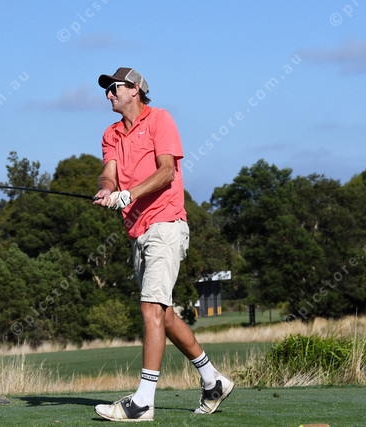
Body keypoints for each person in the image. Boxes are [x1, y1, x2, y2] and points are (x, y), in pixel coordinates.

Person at [92, 67, 234, 422]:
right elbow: (109, 173)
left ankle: (142, 402)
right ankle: (212, 380)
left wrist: (130, 193)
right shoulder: (111, 134)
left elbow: (167, 171)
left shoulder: (160, 120)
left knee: (150, 309)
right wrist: (107, 191)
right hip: (138, 231)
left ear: (135, 89)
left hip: (166, 224)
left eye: (114, 88)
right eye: (107, 90)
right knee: (164, 313)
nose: (109, 94)